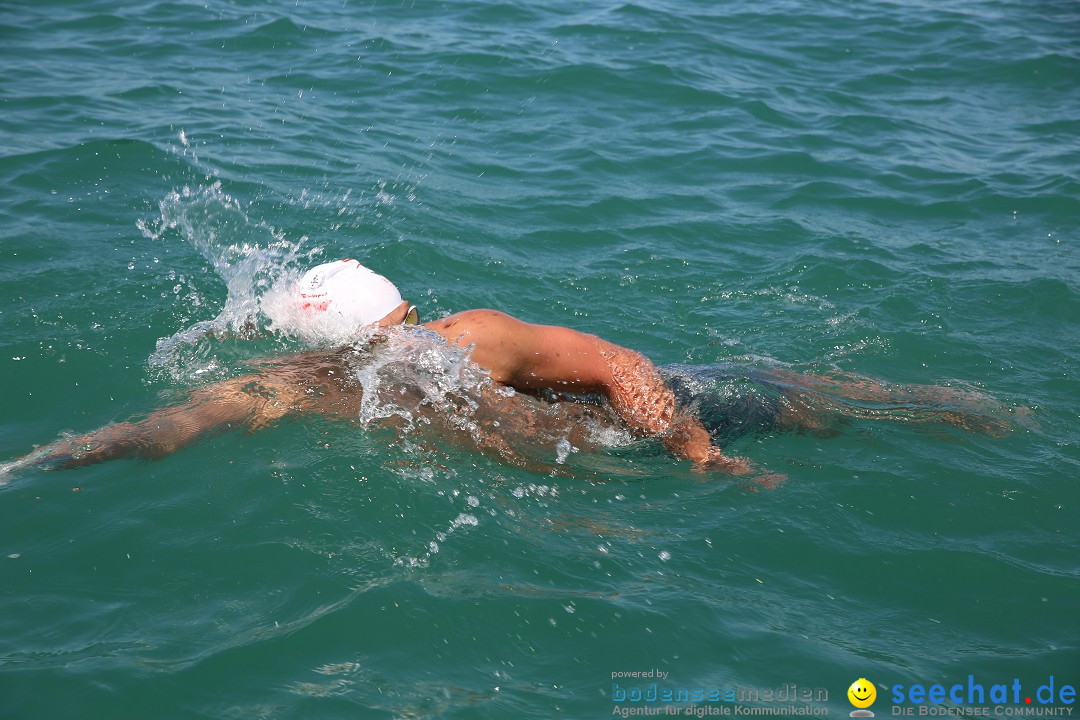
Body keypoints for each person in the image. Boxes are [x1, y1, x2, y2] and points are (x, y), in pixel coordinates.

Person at [3, 260, 1010, 482]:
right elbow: (163, 429)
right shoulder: (301, 383)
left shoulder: (476, 335)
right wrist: (45, 461)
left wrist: (694, 446)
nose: (417, 340)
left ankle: (947, 410)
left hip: (660, 399)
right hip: (607, 439)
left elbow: (619, 363)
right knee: (790, 398)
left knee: (804, 407)